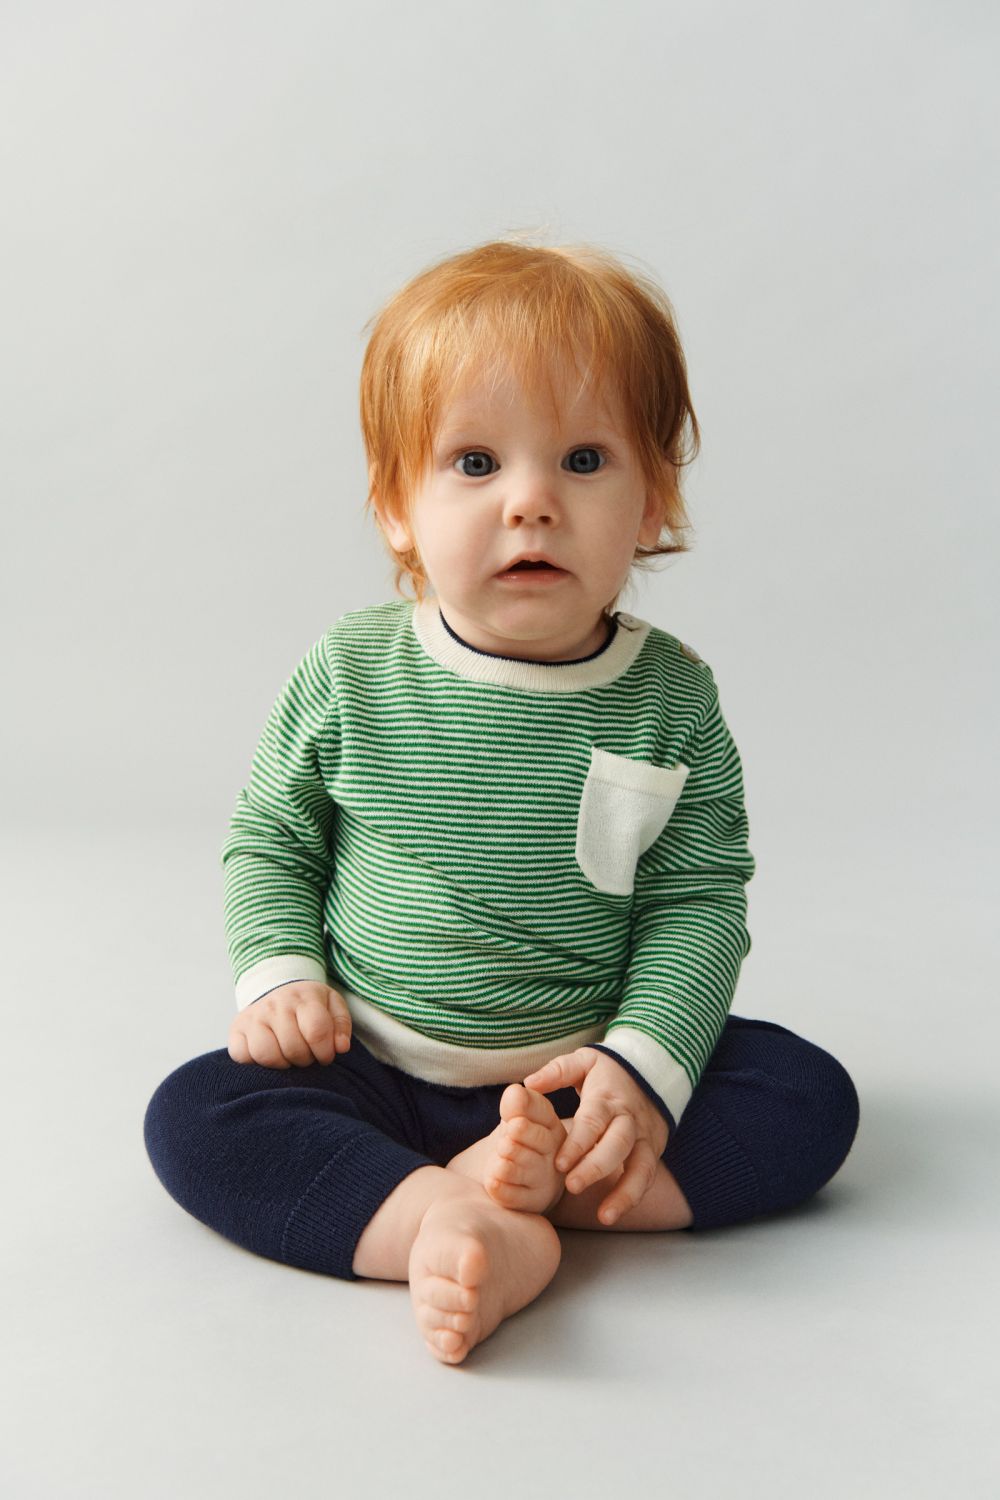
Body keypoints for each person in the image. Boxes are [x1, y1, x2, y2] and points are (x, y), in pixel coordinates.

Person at [143, 236, 860, 1366]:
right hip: (374, 1064)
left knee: (806, 1097)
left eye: (584, 460)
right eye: (475, 464)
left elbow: (697, 906)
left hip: (578, 1074)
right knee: (199, 1116)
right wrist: (281, 976)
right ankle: (454, 1213)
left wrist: (637, 1074)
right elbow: (271, 840)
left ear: (652, 499)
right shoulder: (352, 671)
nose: (532, 502)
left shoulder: (669, 699)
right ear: (397, 506)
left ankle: (542, 1182)